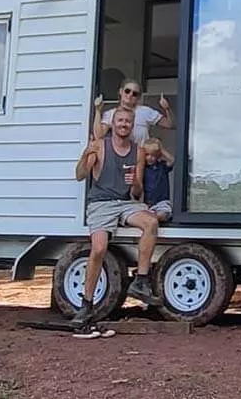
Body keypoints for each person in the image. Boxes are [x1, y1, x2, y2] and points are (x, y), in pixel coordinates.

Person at [72, 106, 161, 332]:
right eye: (120, 120)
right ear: (113, 122)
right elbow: (80, 175)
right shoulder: (99, 146)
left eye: (128, 122)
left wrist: (134, 183)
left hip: (126, 203)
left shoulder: (138, 151)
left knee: (151, 222)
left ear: (133, 126)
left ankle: (141, 281)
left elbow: (137, 193)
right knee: (99, 248)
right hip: (101, 204)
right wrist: (85, 154)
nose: (124, 124)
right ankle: (87, 303)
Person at [93, 80, 171, 145]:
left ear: (138, 97)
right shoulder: (110, 113)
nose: (130, 95)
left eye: (134, 94)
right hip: (119, 156)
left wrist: (167, 108)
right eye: (127, 91)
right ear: (121, 91)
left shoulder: (146, 111)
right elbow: (98, 135)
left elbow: (169, 124)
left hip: (142, 157)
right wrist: (98, 110)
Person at [141, 137, 175, 222]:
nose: (150, 158)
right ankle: (151, 216)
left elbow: (172, 160)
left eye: (153, 155)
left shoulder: (162, 166)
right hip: (146, 203)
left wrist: (161, 149)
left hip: (161, 202)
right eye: (147, 154)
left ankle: (155, 217)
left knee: (164, 213)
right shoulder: (142, 168)